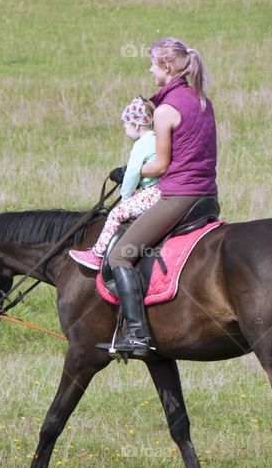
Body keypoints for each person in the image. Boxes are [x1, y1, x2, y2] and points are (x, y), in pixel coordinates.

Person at [102, 37, 218, 357]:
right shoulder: (201, 100)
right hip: (207, 197)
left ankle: (137, 335)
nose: (150, 70)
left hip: (178, 197)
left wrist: (132, 171)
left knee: (120, 256)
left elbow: (162, 164)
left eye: (152, 64)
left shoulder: (167, 110)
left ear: (166, 67)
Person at [69, 96, 160, 270]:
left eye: (125, 125)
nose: (125, 129)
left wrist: (126, 196)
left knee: (116, 214)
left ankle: (98, 254)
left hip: (152, 193)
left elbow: (132, 174)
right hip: (159, 191)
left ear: (135, 124)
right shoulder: (157, 139)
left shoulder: (141, 144)